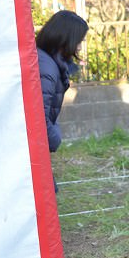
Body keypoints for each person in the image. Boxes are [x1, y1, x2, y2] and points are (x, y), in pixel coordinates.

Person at [36, 10, 89, 190]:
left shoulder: (47, 61)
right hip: (37, 146)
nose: (80, 47)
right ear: (66, 39)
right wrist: (54, 138)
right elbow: (38, 117)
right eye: (79, 41)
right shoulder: (47, 69)